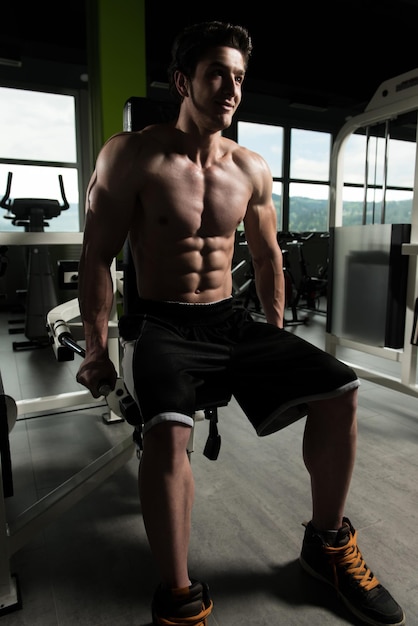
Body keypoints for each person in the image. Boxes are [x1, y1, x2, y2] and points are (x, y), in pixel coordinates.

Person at [76, 20, 405, 626]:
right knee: (169, 431)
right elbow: (97, 255)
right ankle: (179, 597)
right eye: (217, 75)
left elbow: (269, 255)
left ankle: (326, 545)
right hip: (163, 325)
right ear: (183, 81)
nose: (230, 89)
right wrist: (97, 348)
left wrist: (275, 330)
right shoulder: (133, 156)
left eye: (239, 79)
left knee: (341, 389)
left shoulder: (250, 168)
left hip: (232, 320)